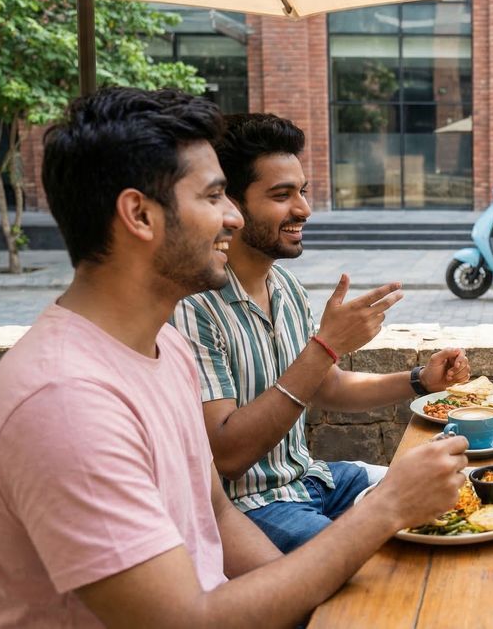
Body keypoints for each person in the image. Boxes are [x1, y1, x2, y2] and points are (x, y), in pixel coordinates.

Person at [0, 87, 468, 628]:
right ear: (139, 215)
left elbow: (214, 513)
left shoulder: (161, 346)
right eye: (214, 197)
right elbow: (185, 621)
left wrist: (313, 606)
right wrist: (385, 510)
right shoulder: (65, 402)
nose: (232, 219)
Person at [170, 112, 470, 553]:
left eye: (303, 192)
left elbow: (324, 386)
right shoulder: (193, 306)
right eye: (281, 195)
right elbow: (229, 455)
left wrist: (419, 381)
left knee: (458, 499)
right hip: (252, 509)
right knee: (384, 565)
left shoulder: (285, 286)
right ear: (229, 204)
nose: (304, 209)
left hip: (315, 480)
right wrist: (327, 344)